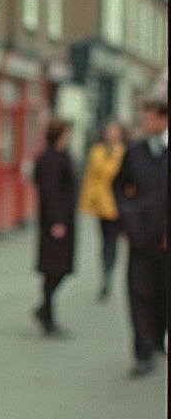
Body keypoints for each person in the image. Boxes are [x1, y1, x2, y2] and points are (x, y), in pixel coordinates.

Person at [113, 97, 168, 377]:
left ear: (164, 119)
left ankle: (158, 340)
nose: (145, 121)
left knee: (162, 293)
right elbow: (119, 187)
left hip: (165, 242)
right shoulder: (134, 151)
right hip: (140, 238)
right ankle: (143, 352)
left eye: (150, 117)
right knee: (139, 293)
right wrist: (128, 217)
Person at [32, 118, 77, 337]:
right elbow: (49, 192)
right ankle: (47, 315)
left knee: (59, 269)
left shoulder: (60, 155)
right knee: (53, 269)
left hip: (64, 220)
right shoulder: (51, 158)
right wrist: (56, 221)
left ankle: (45, 310)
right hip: (56, 223)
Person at [78, 119, 127, 300]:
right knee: (105, 241)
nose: (111, 134)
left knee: (112, 242)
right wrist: (86, 203)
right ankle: (105, 273)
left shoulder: (125, 152)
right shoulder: (97, 151)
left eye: (114, 131)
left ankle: (109, 273)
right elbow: (90, 178)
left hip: (118, 205)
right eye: (109, 131)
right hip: (101, 204)